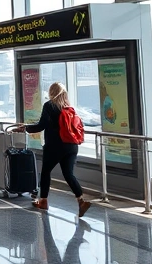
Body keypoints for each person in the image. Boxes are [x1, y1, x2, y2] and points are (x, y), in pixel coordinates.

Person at [13, 82, 91, 217]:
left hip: (55, 146)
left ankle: (43, 201)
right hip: (71, 146)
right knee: (68, 174)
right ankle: (81, 200)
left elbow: (41, 126)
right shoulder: (69, 108)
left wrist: (25, 128)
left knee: (45, 172)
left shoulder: (49, 105)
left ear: (51, 92)